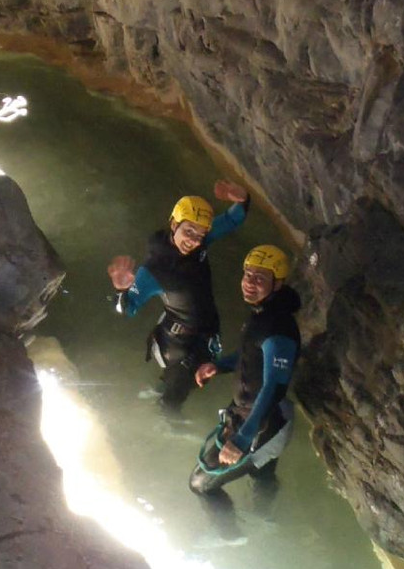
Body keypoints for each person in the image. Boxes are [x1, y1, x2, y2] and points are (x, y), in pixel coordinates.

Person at [107, 180, 249, 410]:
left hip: (200, 334)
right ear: (174, 224)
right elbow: (126, 307)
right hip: (181, 346)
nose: (193, 241)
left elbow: (233, 219)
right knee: (174, 400)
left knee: (175, 383)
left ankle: (160, 389)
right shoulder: (155, 270)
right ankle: (165, 421)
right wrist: (120, 289)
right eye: (188, 231)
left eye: (200, 235)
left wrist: (243, 199)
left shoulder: (199, 245)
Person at [189, 244, 302, 495]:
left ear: (278, 283)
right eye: (247, 275)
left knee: (199, 484)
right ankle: (266, 512)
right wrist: (218, 366)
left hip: (265, 421)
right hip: (256, 413)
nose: (250, 282)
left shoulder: (279, 328)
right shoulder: (262, 313)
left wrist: (241, 439)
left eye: (260, 278)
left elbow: (273, 388)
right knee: (262, 474)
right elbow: (251, 356)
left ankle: (229, 535)